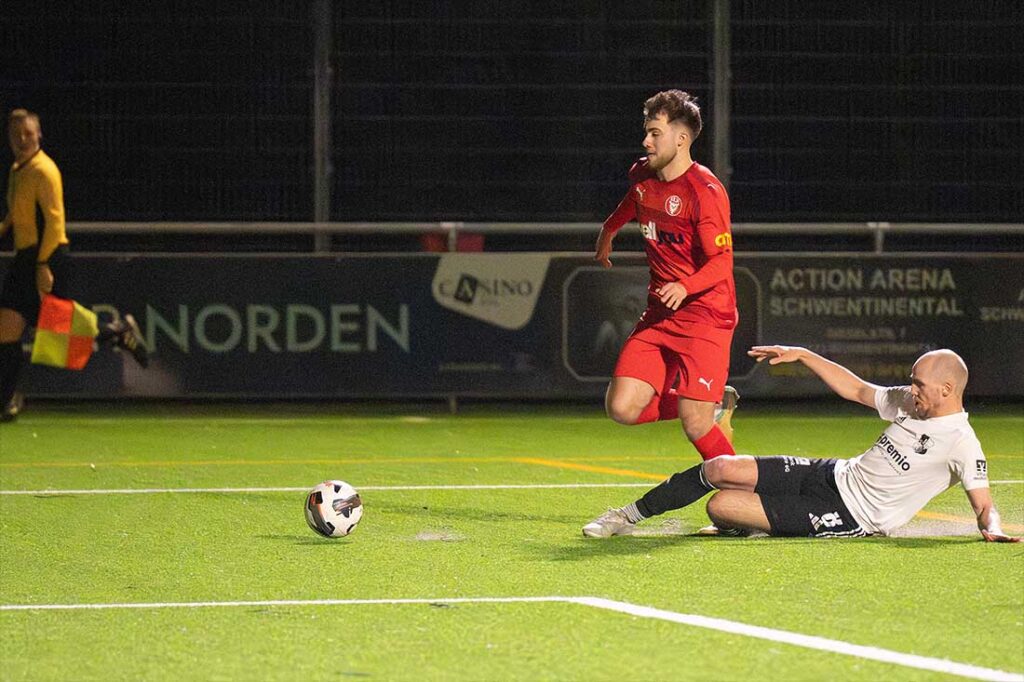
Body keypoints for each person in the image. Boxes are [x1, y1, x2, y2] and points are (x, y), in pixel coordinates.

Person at [583, 346, 1020, 542]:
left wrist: (993, 527)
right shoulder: (910, 403)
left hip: (849, 515)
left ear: (947, 389)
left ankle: (759, 518)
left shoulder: (962, 442)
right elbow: (857, 390)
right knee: (721, 467)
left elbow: (983, 502)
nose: (910, 387)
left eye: (919, 383)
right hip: (831, 472)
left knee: (721, 506)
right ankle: (628, 515)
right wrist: (807, 355)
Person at [595, 89, 739, 462]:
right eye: (646, 131)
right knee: (622, 408)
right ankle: (713, 404)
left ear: (681, 138)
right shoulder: (642, 173)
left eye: (655, 132)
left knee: (695, 424)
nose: (646, 140)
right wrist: (609, 231)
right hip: (660, 313)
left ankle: (742, 496)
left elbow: (722, 263)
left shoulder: (704, 192)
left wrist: (686, 285)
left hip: (706, 316)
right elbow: (636, 198)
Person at [0, 109, 147, 422]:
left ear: (39, 135)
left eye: (28, 133)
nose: (22, 139)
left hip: (46, 256)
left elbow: (54, 222)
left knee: (59, 331)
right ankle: (7, 399)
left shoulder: (44, 170)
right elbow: (19, 212)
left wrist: (43, 265)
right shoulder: (17, 169)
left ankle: (116, 332)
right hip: (25, 257)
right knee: (8, 332)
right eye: (16, 135)